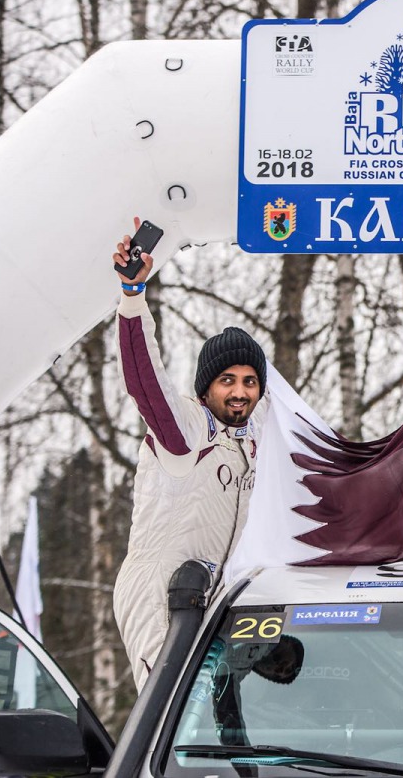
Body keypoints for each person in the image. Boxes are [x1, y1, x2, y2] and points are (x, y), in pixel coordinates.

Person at [110, 217, 270, 689]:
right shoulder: (187, 432)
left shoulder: (254, 442)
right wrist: (132, 296)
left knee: (219, 715)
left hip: (210, 597)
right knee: (167, 714)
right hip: (159, 595)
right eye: (227, 380)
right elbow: (145, 382)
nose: (239, 392)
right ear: (206, 389)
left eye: (249, 381)